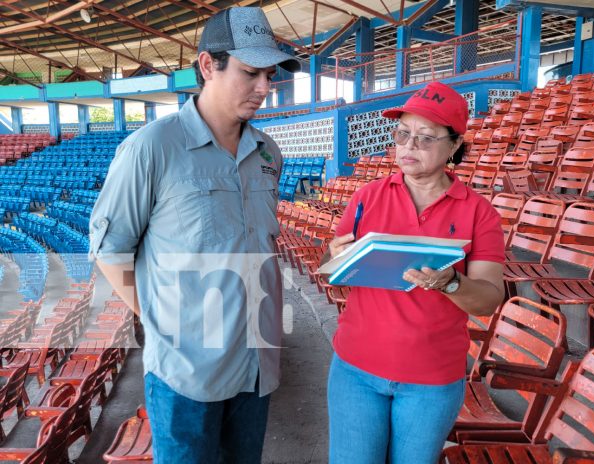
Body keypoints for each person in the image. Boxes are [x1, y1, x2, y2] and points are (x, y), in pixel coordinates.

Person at [88, 7, 299, 464]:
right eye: (250, 73)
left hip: (256, 364)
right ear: (208, 65)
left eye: (269, 74)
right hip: (186, 374)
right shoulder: (152, 148)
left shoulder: (268, 152)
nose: (264, 88)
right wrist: (167, 323)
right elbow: (110, 251)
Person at [324, 81, 505, 463]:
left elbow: (489, 299)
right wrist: (337, 257)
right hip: (356, 368)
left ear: (455, 146)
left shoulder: (478, 213)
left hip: (431, 378)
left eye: (425, 138)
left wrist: (451, 282)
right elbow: (336, 274)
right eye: (402, 134)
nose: (409, 146)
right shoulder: (366, 197)